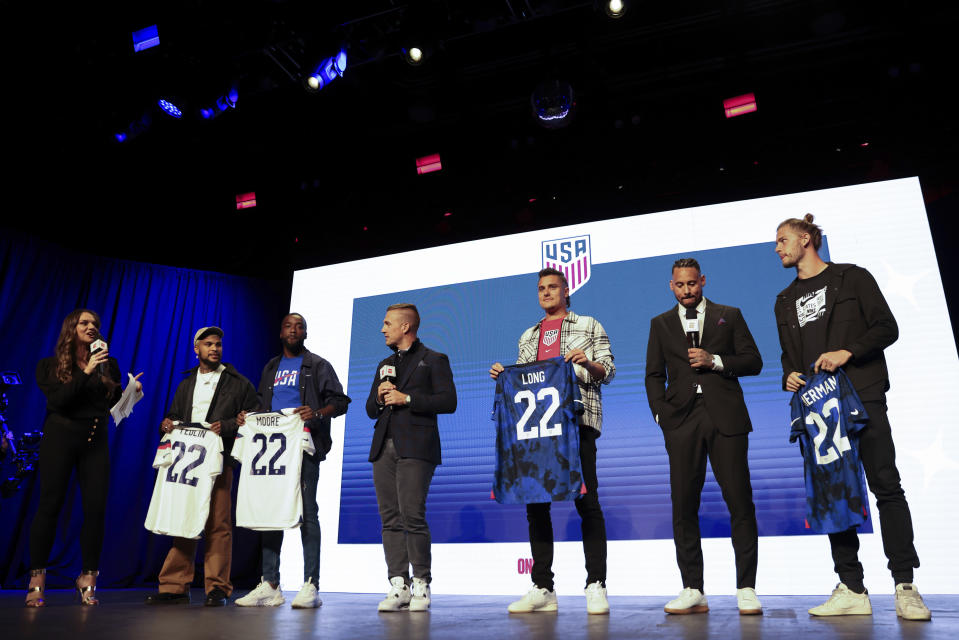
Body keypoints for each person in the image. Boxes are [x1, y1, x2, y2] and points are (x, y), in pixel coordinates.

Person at [774, 214, 930, 620]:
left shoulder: (852, 278)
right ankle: (852, 586)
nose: (778, 248)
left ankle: (905, 584)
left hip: (863, 395)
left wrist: (849, 351)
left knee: (885, 485)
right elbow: (789, 357)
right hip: (820, 409)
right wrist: (788, 374)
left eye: (783, 240)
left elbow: (887, 328)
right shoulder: (784, 301)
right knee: (834, 495)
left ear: (806, 239)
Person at [490, 267, 615, 615]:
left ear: (566, 291)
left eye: (552, 287)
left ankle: (596, 583)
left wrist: (587, 363)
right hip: (537, 430)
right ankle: (543, 586)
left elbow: (608, 370)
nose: (546, 293)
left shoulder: (589, 325)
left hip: (577, 424)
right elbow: (526, 380)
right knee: (536, 504)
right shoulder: (528, 335)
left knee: (587, 502)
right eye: (541, 288)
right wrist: (505, 376)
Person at [644, 258, 763, 615]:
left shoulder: (731, 314)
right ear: (671, 286)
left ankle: (746, 587)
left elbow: (753, 360)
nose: (686, 291)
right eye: (680, 285)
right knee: (683, 505)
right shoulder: (660, 324)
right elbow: (653, 374)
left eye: (692, 284)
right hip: (680, 421)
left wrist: (716, 361)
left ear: (703, 282)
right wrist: (661, 414)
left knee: (739, 501)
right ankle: (693, 587)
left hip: (726, 416)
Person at [234, 313, 351, 608]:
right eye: (288, 325)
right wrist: (248, 418)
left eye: (300, 326)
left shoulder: (318, 365)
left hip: (304, 445)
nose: (294, 330)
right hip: (274, 448)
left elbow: (341, 402)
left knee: (308, 513)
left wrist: (316, 412)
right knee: (271, 511)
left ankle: (311, 584)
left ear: (306, 333)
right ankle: (270, 584)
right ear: (280, 331)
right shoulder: (271, 367)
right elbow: (262, 405)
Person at [28, 309, 142, 606]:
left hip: (95, 441)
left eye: (95, 324)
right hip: (60, 440)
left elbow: (112, 405)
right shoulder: (50, 366)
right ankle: (37, 578)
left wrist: (131, 391)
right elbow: (59, 401)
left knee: (95, 511)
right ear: (72, 328)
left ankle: (88, 577)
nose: (91, 327)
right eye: (84, 323)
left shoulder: (109, 365)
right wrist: (88, 369)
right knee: (49, 507)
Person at [145, 326, 257, 607]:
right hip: (188, 459)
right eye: (208, 344)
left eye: (218, 344)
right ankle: (174, 585)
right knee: (184, 517)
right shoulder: (186, 383)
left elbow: (253, 416)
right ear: (197, 349)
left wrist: (229, 425)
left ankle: (217, 587)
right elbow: (172, 415)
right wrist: (166, 424)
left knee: (218, 523)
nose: (215, 349)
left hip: (219, 459)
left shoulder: (238, 383)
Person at [365, 303, 456, 612]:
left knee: (412, 515)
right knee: (389, 518)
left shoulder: (434, 360)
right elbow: (369, 409)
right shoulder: (384, 364)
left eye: (387, 323)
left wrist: (408, 399)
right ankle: (398, 584)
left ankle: (421, 583)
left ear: (405, 327)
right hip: (383, 448)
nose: (382, 329)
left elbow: (448, 401)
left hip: (417, 448)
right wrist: (379, 396)